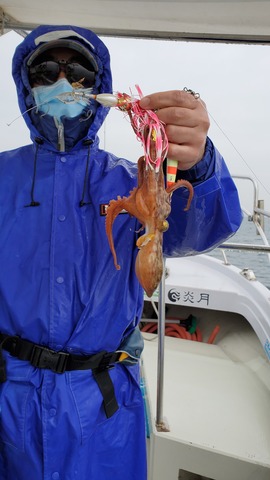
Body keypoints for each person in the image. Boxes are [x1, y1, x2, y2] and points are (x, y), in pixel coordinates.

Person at [0, 24, 242, 480]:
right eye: (46, 69)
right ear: (26, 85)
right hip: (10, 400)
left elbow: (200, 228)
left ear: (101, 87)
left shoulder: (134, 179)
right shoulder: (1, 177)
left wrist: (197, 160)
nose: (64, 82)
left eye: (81, 73)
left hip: (105, 401)